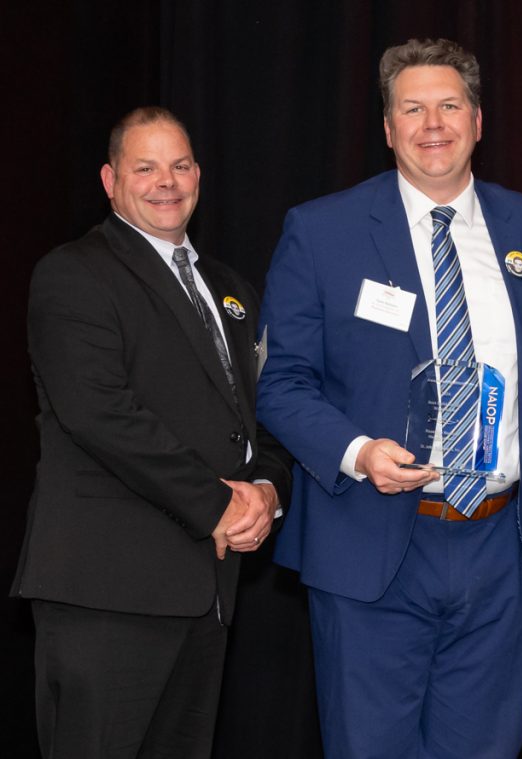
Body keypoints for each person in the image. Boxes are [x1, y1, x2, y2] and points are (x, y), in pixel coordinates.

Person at [256, 38, 522, 758]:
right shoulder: (321, 230)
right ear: (390, 127)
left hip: (500, 542)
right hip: (371, 538)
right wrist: (358, 451)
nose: (434, 123)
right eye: (413, 108)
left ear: (479, 120)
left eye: (450, 105)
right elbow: (280, 384)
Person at [12, 106, 292, 759]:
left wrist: (267, 492)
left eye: (181, 164)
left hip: (206, 596)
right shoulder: (74, 272)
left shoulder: (231, 290)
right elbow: (99, 413)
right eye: (146, 167)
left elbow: (263, 416)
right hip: (107, 596)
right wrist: (220, 502)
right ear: (111, 180)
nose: (167, 181)